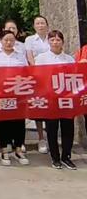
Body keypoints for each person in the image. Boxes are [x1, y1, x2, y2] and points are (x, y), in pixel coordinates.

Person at [0, 30, 29, 166]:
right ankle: (4, 150)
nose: (9, 42)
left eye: (11, 40)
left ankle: (19, 149)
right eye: (6, 40)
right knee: (4, 123)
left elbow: (27, 72)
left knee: (19, 123)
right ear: (1, 41)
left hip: (18, 94)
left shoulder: (20, 55)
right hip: (1, 94)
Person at [35, 30, 77, 170]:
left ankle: (66, 156)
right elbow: (38, 78)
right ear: (49, 42)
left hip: (66, 99)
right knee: (52, 129)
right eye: (52, 40)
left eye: (58, 40)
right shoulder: (41, 58)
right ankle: (55, 157)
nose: (55, 42)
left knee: (68, 129)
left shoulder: (69, 59)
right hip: (50, 99)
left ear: (62, 42)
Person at [25, 15, 50, 154]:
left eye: (42, 23)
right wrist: (38, 72)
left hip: (51, 77)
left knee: (50, 106)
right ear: (34, 26)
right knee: (39, 106)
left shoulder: (52, 37)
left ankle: (50, 136)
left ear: (47, 25)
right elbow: (30, 58)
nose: (40, 25)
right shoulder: (30, 40)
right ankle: (41, 138)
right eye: (37, 23)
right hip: (37, 77)